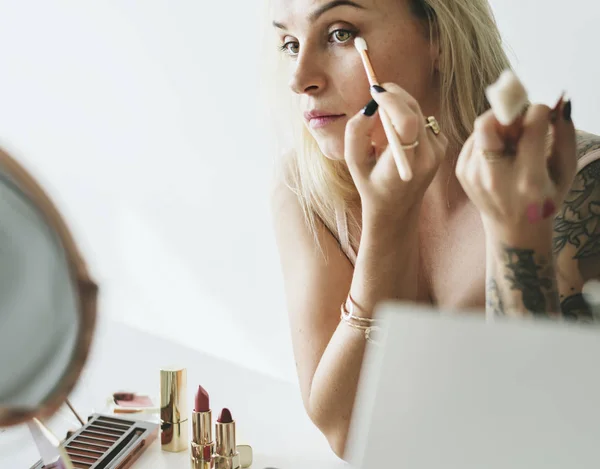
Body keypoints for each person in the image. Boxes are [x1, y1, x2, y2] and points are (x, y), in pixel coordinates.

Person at [269, 0, 600, 459]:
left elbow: (555, 444)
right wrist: (387, 222)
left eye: (340, 33)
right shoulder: (309, 188)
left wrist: (515, 236)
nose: (300, 77)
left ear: (439, 36)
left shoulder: (569, 182)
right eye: (290, 43)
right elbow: (350, 435)